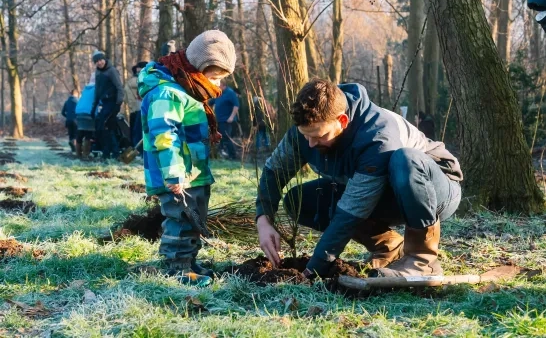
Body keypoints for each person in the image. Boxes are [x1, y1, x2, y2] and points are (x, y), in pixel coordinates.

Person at [255, 79, 463, 280]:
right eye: (305, 135)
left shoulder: (377, 136)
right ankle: (390, 247)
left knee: (404, 160)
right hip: (385, 192)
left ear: (342, 121)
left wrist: (314, 268)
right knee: (298, 200)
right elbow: (274, 171)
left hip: (436, 188)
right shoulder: (306, 131)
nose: (310, 144)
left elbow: (351, 211)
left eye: (318, 136)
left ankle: (421, 260)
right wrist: (264, 219)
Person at [138, 30, 236, 287]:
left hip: (193, 172)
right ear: (197, 68)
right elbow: (164, 135)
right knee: (180, 218)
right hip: (177, 175)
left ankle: (190, 261)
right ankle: (177, 267)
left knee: (194, 218)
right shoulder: (167, 93)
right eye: (214, 77)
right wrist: (173, 173)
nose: (217, 85)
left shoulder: (188, 91)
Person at [91, 50, 124, 159]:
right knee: (103, 128)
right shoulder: (98, 73)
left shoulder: (111, 71)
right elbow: (97, 90)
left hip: (113, 102)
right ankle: (108, 152)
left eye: (101, 60)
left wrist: (118, 104)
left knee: (107, 126)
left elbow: (119, 88)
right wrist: (94, 106)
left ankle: (115, 152)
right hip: (103, 103)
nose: (99, 63)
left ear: (104, 59)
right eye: (97, 61)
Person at [209, 80, 239, 160]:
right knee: (219, 138)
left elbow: (236, 106)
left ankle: (233, 156)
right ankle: (220, 153)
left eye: (218, 84)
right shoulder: (218, 93)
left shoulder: (230, 93)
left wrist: (231, 117)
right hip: (218, 120)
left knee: (226, 137)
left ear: (223, 85)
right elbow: (210, 102)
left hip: (227, 120)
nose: (216, 86)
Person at [125, 61, 147, 153]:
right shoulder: (137, 79)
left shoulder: (140, 79)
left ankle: (139, 151)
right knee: (135, 130)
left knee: (138, 131)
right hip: (134, 108)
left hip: (140, 108)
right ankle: (137, 150)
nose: (138, 71)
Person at [75, 73, 97, 159]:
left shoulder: (86, 88)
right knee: (88, 134)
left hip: (79, 111)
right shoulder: (96, 89)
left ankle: (78, 154)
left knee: (80, 132)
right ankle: (85, 154)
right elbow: (98, 100)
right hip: (88, 112)